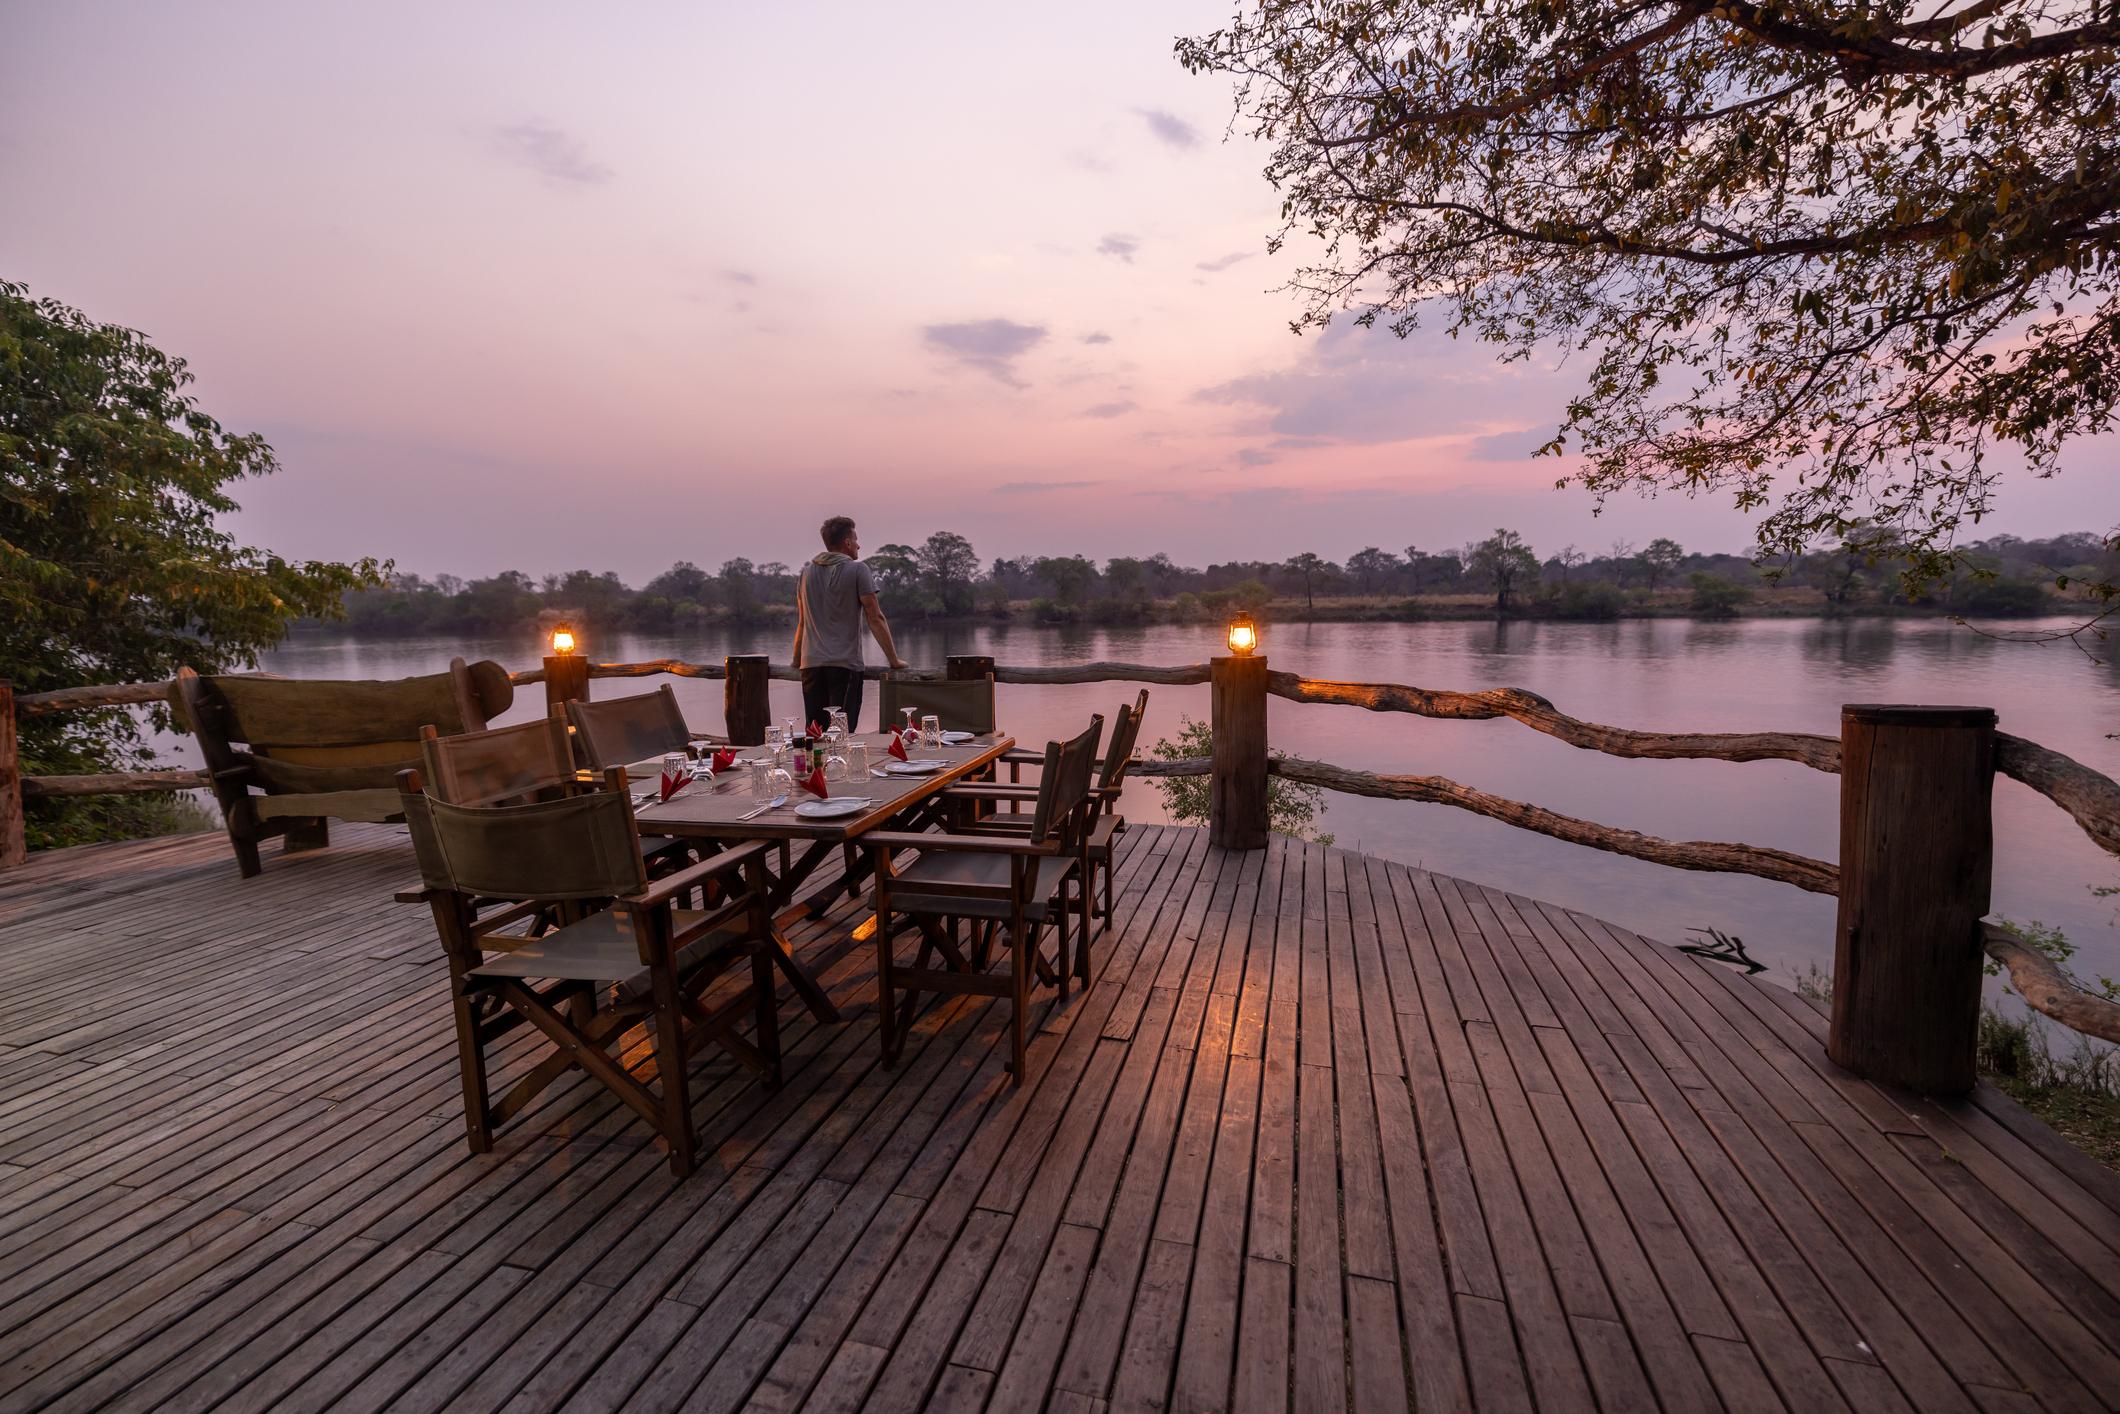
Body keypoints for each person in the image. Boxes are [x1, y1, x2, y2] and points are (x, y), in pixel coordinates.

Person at [791, 516, 907, 732]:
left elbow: (802, 622)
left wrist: (797, 659)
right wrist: (893, 660)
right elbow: (875, 617)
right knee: (841, 735)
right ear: (846, 542)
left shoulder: (806, 573)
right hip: (843, 666)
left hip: (810, 668)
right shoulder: (858, 569)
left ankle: (816, 767)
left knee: (816, 735)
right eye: (856, 539)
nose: (858, 544)